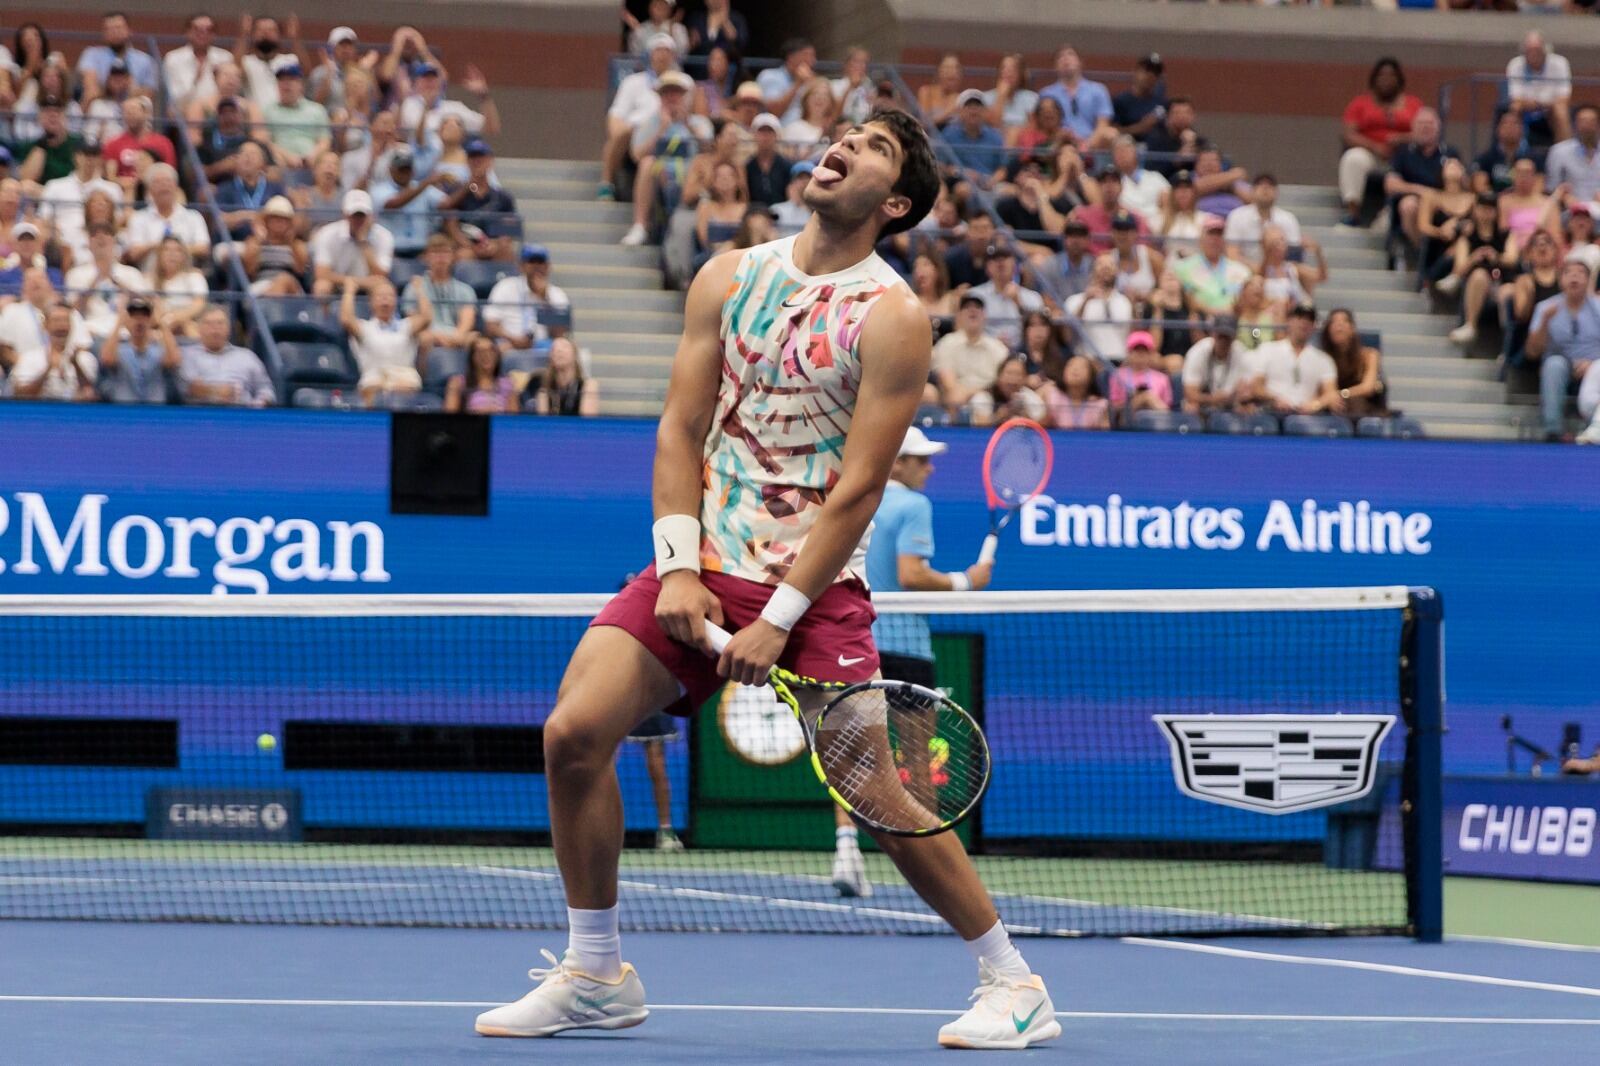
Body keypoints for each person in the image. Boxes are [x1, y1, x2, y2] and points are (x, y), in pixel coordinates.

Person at [474, 110, 1059, 1051]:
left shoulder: (894, 317)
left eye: (874, 148)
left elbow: (860, 486)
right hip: (703, 565)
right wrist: (678, 569)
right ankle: (595, 974)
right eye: (849, 133)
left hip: (812, 586)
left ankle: (1013, 981)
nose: (845, 145)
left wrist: (782, 617)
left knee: (876, 793)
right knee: (573, 735)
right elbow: (678, 428)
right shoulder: (728, 275)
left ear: (895, 202)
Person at [835, 425, 992, 894]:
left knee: (847, 754)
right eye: (921, 460)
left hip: (855, 641)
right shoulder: (914, 505)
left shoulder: (854, 497)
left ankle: (846, 851)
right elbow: (911, 574)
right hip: (905, 647)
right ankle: (933, 866)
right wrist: (966, 581)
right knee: (919, 759)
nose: (929, 468)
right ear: (898, 462)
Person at [1339, 57, 1423, 228]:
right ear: (1374, 79)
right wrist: (1374, 146)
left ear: (1399, 79)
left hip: (1403, 159)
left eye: (1391, 75)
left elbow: (1425, 133)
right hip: (1371, 155)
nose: (1386, 79)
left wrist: (1402, 138)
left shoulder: (1413, 104)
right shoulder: (1360, 103)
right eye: (1382, 75)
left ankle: (1390, 217)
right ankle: (1353, 212)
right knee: (1353, 158)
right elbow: (1348, 134)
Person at [1525, 258, 1600, 440]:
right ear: (1561, 280)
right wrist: (1545, 322)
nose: (1574, 277)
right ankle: (1553, 430)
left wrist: (1592, 365)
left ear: (1588, 280)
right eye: (1569, 273)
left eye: (1580, 273)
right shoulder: (1545, 308)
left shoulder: (1598, 307)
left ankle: (1595, 428)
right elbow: (1532, 352)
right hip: (1562, 363)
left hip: (1595, 364)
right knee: (1553, 365)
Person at [340, 277, 431, 406]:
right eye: (380, 296)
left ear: (396, 301)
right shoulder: (364, 327)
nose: (385, 299)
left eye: (389, 296)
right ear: (371, 302)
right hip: (373, 381)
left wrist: (420, 290)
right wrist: (349, 292)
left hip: (404, 381)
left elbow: (426, 318)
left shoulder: (406, 326)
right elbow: (346, 320)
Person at [1385, 108, 1458, 251]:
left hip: (1444, 202)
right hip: (1417, 200)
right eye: (1421, 124)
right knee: (1408, 205)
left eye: (1430, 124)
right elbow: (1390, 184)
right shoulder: (1403, 153)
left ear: (1438, 127)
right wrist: (1419, 190)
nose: (1425, 127)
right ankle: (1422, 253)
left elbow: (1463, 182)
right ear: (1413, 128)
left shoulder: (1450, 153)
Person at [66, 223, 147, 341]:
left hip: (125, 332)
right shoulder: (76, 274)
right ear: (89, 243)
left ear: (114, 241)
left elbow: (145, 307)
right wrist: (95, 282)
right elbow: (72, 312)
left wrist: (119, 284)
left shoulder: (131, 273)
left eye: (106, 233)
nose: (101, 237)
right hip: (90, 331)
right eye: (95, 234)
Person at [183, 304, 275, 406]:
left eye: (220, 323)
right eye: (209, 324)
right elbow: (189, 388)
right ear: (199, 329)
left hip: (243, 411)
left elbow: (266, 389)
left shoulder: (247, 356)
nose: (215, 329)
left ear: (228, 328)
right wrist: (216, 392)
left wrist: (256, 406)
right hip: (202, 412)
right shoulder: (187, 355)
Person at [932, 294, 1010, 413]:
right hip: (957, 397)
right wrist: (970, 394)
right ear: (959, 315)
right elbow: (949, 384)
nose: (972, 310)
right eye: (967, 307)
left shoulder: (998, 348)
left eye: (977, 307)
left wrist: (976, 392)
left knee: (982, 400)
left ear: (985, 315)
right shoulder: (947, 343)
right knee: (960, 398)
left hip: (992, 397)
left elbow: (1004, 381)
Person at [484, 244, 571, 350]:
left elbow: (559, 334)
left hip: (543, 346)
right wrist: (513, 339)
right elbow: (491, 325)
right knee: (498, 348)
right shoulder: (505, 287)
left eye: (540, 262)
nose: (536, 266)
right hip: (509, 342)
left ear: (548, 266)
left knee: (563, 348)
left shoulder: (557, 294)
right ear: (521, 266)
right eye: (531, 261)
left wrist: (544, 298)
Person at [1258, 303, 1339, 416]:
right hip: (1272, 411)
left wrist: (1316, 404)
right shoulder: (1267, 349)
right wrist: (1274, 399)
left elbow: (1331, 393)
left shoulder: (1323, 359)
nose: (1304, 322)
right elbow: (1256, 386)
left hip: (1306, 415)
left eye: (1310, 319)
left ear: (1314, 326)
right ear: (1289, 321)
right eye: (1299, 317)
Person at [5, 302, 97, 401]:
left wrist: (76, 365)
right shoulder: (29, 358)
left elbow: (90, 393)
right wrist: (47, 370)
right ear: (45, 325)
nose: (61, 326)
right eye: (56, 320)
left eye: (66, 321)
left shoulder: (85, 358)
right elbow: (19, 394)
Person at [124, 164, 210, 268]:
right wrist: (158, 246)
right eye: (158, 182)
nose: (164, 186)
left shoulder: (193, 216)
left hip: (186, 273)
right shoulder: (138, 218)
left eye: (168, 181)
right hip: (149, 274)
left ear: (176, 187)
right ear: (149, 190)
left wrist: (174, 249)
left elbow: (204, 248)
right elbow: (133, 253)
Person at [310, 190, 395, 295]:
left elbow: (381, 275)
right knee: (321, 286)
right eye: (354, 215)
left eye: (362, 215)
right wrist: (352, 282)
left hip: (369, 287)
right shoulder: (327, 233)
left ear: (370, 216)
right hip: (339, 284)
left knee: (383, 288)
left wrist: (363, 243)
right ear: (345, 215)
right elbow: (321, 274)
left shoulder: (384, 236)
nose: (358, 220)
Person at [97, 296, 179, 403]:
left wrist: (161, 322)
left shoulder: (158, 350)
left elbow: (174, 361)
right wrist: (120, 322)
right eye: (134, 316)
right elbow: (106, 359)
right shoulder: (120, 349)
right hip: (124, 408)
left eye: (144, 316)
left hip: (154, 409)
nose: (139, 321)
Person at [405, 234, 479, 349]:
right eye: (435, 253)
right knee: (424, 337)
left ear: (453, 257)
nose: (440, 257)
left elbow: (467, 321)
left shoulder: (465, 289)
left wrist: (457, 337)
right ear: (426, 257)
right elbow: (414, 321)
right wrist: (438, 337)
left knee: (478, 340)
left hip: (457, 335)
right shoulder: (414, 287)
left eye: (445, 252)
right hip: (428, 335)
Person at [967, 243, 1043, 351]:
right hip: (984, 350)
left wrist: (1018, 302)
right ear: (987, 267)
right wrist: (992, 342)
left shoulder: (1032, 297)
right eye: (994, 259)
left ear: (1014, 265)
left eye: (1005, 257)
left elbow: (1039, 328)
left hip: (1023, 351)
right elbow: (967, 329)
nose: (1000, 263)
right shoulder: (974, 296)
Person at [1181, 315, 1263, 416]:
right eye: (1220, 336)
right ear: (1213, 334)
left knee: (1248, 408)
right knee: (1191, 406)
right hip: (1203, 403)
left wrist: (1242, 397)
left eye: (1227, 337)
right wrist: (1213, 399)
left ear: (1234, 337)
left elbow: (1247, 389)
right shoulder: (1197, 352)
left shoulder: (1241, 353)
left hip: (1231, 404)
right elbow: (1190, 393)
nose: (1223, 341)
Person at [1174, 216, 1252, 318]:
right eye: (1210, 234)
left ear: (1224, 240)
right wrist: (1214, 312)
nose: (1215, 239)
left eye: (1219, 234)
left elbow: (1246, 300)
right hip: (1201, 320)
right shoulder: (1183, 268)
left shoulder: (1242, 270)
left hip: (1235, 320)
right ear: (1201, 239)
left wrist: (1231, 311)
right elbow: (1188, 299)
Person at [1505, 31, 1571, 149]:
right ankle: (1513, 151)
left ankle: (1564, 150)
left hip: (1551, 109)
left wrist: (1542, 104)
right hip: (1526, 108)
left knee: (1561, 110)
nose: (1533, 54)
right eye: (1530, 51)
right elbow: (1516, 98)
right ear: (1524, 52)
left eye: (1537, 50)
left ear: (1545, 50)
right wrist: (1533, 103)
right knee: (1514, 109)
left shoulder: (1560, 63)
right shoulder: (1515, 64)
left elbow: (1564, 98)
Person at [262, 58, 331, 169]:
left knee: (329, 160)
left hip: (312, 162)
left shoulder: (317, 109)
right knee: (272, 160)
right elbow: (266, 142)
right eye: (282, 80)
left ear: (301, 84)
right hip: (281, 161)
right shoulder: (268, 111)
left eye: (291, 80)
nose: (286, 84)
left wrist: (312, 157)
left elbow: (325, 141)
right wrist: (288, 157)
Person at [1039, 46, 1112, 150]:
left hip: (1092, 142)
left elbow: (1103, 124)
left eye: (1070, 54)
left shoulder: (1098, 90)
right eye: (1060, 57)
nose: (1065, 59)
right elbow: (1043, 127)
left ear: (1080, 62)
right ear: (1055, 66)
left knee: (1111, 133)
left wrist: (1087, 145)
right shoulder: (1046, 93)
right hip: (1060, 143)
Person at [1319, 308, 1387, 420]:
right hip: (1334, 407)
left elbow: (1367, 387)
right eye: (1334, 322)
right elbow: (1322, 390)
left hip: (1367, 408)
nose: (1339, 325)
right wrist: (1329, 399)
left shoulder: (1370, 355)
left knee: (1355, 403)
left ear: (1352, 329)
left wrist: (1341, 394)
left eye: (1344, 321)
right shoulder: (1322, 358)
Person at [1065, 257, 1134, 365]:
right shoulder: (1075, 300)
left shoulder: (1125, 302)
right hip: (1088, 361)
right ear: (1091, 271)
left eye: (1111, 265)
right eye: (1101, 264)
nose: (1106, 267)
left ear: (1117, 272)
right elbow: (1068, 335)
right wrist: (1085, 302)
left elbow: (1131, 334)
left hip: (1119, 361)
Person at [240, 195, 309, 296]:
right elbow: (249, 270)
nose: (279, 223)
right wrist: (259, 240)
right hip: (261, 285)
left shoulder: (297, 245)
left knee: (284, 279)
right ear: (266, 221)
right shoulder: (254, 242)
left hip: (291, 289)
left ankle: (270, 302)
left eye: (284, 219)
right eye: (275, 218)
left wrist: (290, 241)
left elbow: (301, 270)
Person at [164, 14, 234, 109]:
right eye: (197, 29)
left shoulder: (225, 57)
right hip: (183, 113)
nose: (203, 33)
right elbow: (174, 99)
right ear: (187, 32)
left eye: (209, 30)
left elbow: (230, 93)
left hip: (217, 113)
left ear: (214, 34)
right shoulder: (173, 58)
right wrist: (195, 81)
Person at [1223, 173, 1300, 257]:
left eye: (1270, 185)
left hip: (1278, 265)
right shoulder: (1237, 216)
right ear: (1252, 191)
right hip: (1243, 265)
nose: (1265, 188)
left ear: (1277, 192)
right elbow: (1232, 254)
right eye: (1259, 184)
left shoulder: (1289, 219)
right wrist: (1260, 266)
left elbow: (1293, 257)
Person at [444, 332, 518, 414]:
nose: (487, 355)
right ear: (472, 357)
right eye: (480, 351)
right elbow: (449, 418)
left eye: (491, 351)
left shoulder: (507, 384)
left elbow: (514, 419)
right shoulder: (458, 383)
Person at [1108, 331, 1173, 422]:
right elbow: (1114, 407)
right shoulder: (1118, 376)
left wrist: (1148, 399)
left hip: (1155, 419)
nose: (1140, 355)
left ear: (1151, 354)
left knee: (1149, 398)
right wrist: (1138, 399)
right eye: (1136, 351)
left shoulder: (1162, 378)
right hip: (1126, 419)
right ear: (1129, 353)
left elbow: (1167, 408)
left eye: (1144, 352)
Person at [528, 335, 600, 416]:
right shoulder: (544, 388)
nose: (559, 351)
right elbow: (543, 420)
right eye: (554, 349)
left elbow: (587, 420)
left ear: (575, 354)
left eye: (564, 347)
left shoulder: (588, 385)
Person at [1544, 104, 1600, 207]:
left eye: (1592, 121)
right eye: (1583, 121)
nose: (1587, 126)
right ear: (1574, 125)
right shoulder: (1558, 151)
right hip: (1570, 210)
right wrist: (1563, 197)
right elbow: (1551, 188)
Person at [757, 38, 820, 127]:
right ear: (791, 57)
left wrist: (814, 85)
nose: (813, 61)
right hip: (778, 131)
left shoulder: (811, 81)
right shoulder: (769, 76)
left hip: (807, 131)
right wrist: (798, 83)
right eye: (807, 55)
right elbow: (774, 113)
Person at [970, 354, 1046, 426]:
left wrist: (1026, 416)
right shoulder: (984, 397)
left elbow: (1041, 426)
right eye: (1009, 373)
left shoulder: (1030, 397)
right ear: (999, 376)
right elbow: (980, 426)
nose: (1013, 380)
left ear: (1025, 379)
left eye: (1018, 374)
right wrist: (998, 417)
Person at [1040, 353, 1109, 430]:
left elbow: (1106, 434)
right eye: (1071, 365)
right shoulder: (1050, 394)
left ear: (1091, 375)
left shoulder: (1100, 405)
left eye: (1082, 367)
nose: (1075, 369)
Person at [1472, 111, 1531, 197]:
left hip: (1524, 202)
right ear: (1498, 129)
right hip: (1494, 202)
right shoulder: (1485, 158)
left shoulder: (1532, 158)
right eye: (1505, 123)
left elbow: (1538, 186)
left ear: (1522, 129)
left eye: (1515, 123)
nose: (1510, 127)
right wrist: (1501, 200)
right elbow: (1480, 187)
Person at [1113, 53, 1167, 143]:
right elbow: (1113, 131)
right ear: (1136, 72)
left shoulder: (1162, 102)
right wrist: (1139, 128)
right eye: (1147, 70)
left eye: (1156, 73)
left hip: (1157, 147)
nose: (1151, 75)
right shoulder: (1121, 101)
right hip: (1130, 146)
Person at [983, 53, 1036, 134]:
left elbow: (1033, 128)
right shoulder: (986, 97)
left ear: (1020, 74)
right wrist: (1001, 97)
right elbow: (992, 126)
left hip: (1021, 139)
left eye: (1013, 69)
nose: (1007, 72)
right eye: (1004, 68)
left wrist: (1014, 132)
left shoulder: (1031, 98)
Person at [917, 53, 966, 131]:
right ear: (939, 71)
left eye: (956, 68)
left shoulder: (962, 98)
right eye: (947, 68)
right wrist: (948, 113)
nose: (952, 72)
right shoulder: (927, 92)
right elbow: (924, 124)